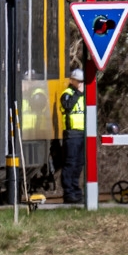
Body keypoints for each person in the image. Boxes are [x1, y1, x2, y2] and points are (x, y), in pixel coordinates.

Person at [57, 68, 86, 204]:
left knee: (79, 164)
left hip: (83, 133)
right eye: (78, 81)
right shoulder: (67, 94)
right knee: (70, 163)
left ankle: (76, 191)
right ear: (72, 80)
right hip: (72, 134)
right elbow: (67, 106)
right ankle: (69, 193)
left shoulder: (84, 95)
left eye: (82, 81)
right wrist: (78, 93)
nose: (80, 84)